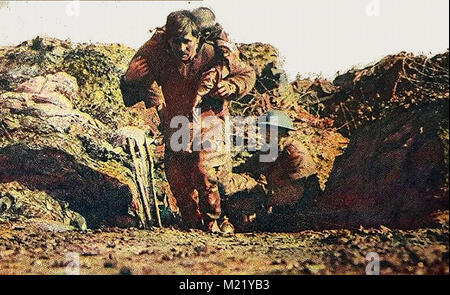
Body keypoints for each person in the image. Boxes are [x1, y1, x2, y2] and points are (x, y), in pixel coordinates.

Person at [120, 10, 256, 232]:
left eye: (187, 42)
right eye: (176, 42)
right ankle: (192, 222)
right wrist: (129, 80)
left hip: (209, 118)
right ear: (168, 42)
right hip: (177, 121)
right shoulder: (160, 56)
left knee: (204, 170)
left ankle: (215, 220)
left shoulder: (213, 53)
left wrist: (231, 86)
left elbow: (246, 74)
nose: (181, 49)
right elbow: (137, 86)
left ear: (198, 40)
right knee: (178, 177)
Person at [226, 110, 319, 231]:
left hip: (298, 208)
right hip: (278, 201)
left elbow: (295, 192)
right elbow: (248, 166)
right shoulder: (273, 148)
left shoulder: (296, 155)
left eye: (268, 130)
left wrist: (263, 205)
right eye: (264, 130)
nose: (264, 134)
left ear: (281, 131)